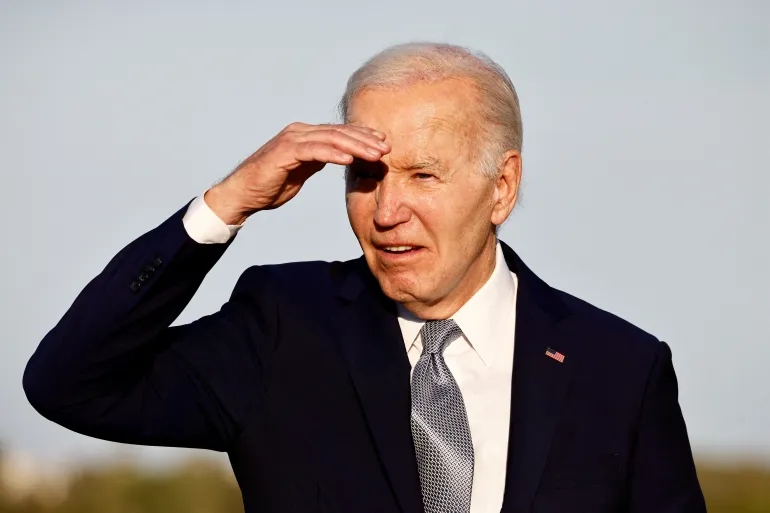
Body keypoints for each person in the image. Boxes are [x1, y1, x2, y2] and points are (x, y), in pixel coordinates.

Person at [23, 42, 706, 513]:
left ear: (502, 186)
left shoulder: (619, 368)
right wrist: (227, 203)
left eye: (423, 175)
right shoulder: (285, 327)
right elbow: (70, 384)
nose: (386, 211)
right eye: (365, 177)